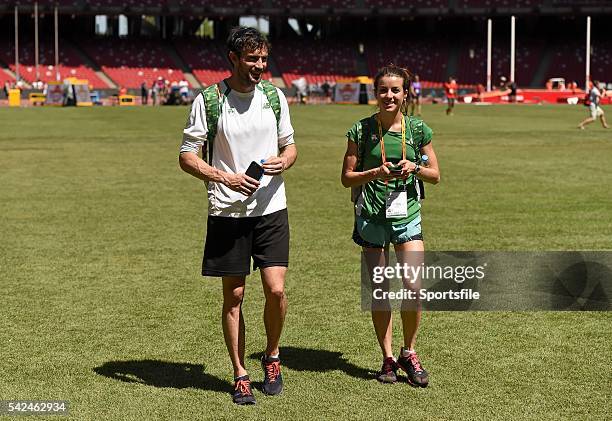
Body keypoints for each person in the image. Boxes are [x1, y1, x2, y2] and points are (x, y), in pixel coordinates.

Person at [178, 26, 297, 405]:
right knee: (235, 295)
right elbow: (187, 155)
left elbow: (290, 146)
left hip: (271, 208)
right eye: (252, 59)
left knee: (276, 289)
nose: (260, 65)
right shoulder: (210, 100)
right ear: (233, 58)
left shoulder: (274, 97)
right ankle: (240, 372)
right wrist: (223, 176)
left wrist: (284, 161)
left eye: (264, 58)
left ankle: (272, 356)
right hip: (227, 212)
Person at [341, 64, 440, 387]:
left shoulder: (417, 130)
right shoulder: (360, 130)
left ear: (405, 93)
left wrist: (415, 167)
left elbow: (435, 174)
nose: (389, 95)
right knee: (381, 291)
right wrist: (375, 173)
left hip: (407, 214)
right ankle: (386, 358)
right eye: (383, 89)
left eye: (395, 90)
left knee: (414, 285)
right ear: (375, 93)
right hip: (371, 216)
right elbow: (346, 178)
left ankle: (408, 352)